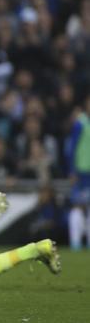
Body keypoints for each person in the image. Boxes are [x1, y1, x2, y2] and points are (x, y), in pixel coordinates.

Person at [67, 96, 90, 250]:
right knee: (78, 206)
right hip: (81, 171)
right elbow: (72, 147)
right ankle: (75, 243)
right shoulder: (80, 123)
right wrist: (72, 170)